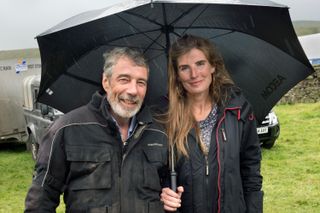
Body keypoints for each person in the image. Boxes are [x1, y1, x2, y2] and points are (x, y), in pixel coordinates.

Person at [24, 47, 168, 213]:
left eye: (140, 82)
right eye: (124, 79)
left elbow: (168, 188)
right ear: (106, 82)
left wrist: (170, 199)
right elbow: (40, 201)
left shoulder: (160, 133)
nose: (133, 90)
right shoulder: (67, 129)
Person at [161, 34, 263, 213]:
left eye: (200, 64)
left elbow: (251, 170)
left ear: (213, 66)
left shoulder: (238, 109)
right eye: (184, 68)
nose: (194, 75)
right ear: (177, 75)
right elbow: (156, 172)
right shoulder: (164, 117)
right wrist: (164, 192)